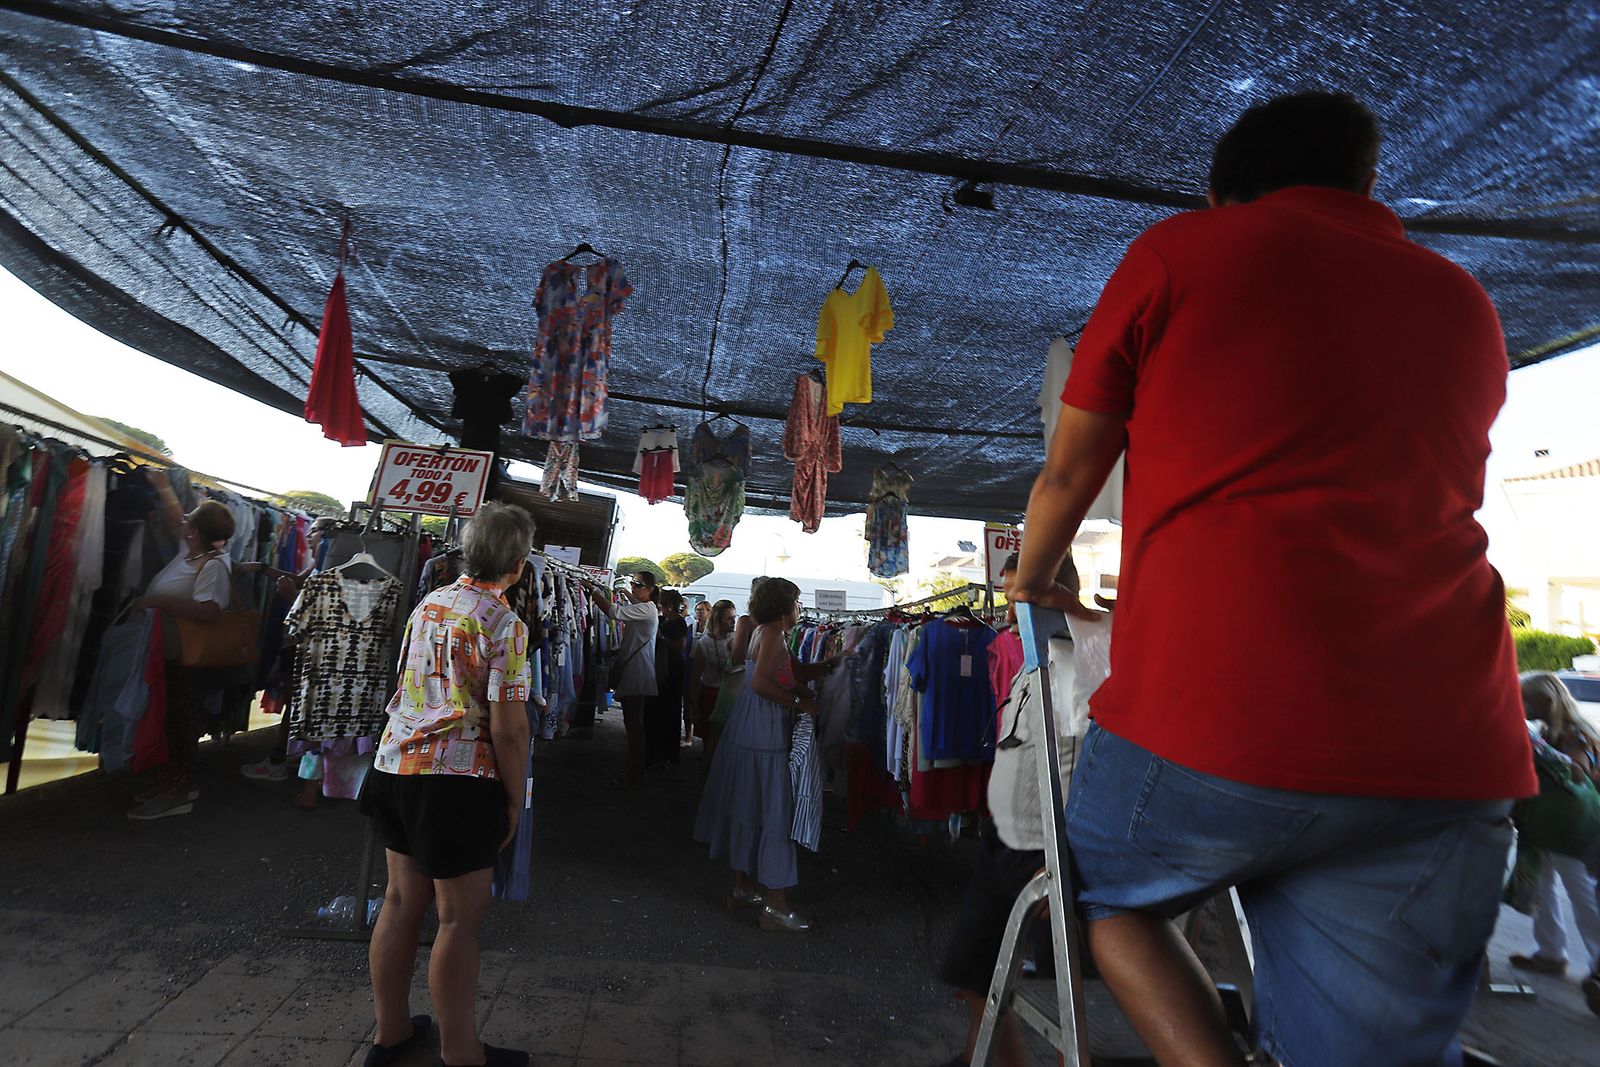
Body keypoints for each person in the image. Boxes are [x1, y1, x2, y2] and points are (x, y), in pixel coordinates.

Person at [1011, 91, 1536, 1066]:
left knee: (1106, 890)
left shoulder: (1180, 253)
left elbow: (1068, 473)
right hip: (1447, 748)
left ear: (1220, 195)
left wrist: (1031, 576)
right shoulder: (1464, 299)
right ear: (1367, 181)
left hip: (1218, 721)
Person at [358, 501, 535, 1067]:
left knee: (398, 901)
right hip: (456, 782)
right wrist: (515, 800)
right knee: (457, 920)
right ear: (518, 563)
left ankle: (390, 1033)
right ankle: (462, 1054)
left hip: (395, 768)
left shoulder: (430, 603)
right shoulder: (504, 624)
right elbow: (509, 729)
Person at [941, 552, 1107, 1067]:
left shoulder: (1084, 665)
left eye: (1022, 598)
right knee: (974, 973)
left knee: (1070, 997)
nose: (1010, 611)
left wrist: (1068, 860)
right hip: (1003, 846)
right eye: (1008, 597)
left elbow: (1098, 776)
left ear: (1057, 596)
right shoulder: (1032, 659)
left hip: (1048, 854)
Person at [693, 578, 835, 932]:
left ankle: (743, 888)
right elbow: (761, 684)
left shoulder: (765, 632)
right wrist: (801, 702)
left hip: (751, 723)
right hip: (764, 728)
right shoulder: (771, 634)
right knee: (774, 810)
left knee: (749, 805)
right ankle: (776, 907)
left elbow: (782, 673)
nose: (799, 608)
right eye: (796, 601)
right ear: (784, 607)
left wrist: (823, 668)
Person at [125, 484, 236, 820]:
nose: (183, 520)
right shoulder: (191, 553)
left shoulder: (213, 564)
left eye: (190, 519)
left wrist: (157, 601)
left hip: (189, 657)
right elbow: (178, 517)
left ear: (196, 532)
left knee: (181, 723)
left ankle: (178, 792)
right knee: (171, 719)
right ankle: (172, 784)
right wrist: (160, 482)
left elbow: (209, 610)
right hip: (172, 653)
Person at [1509, 672, 1600, 1005]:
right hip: (1545, 823)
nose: (1521, 706)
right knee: (1542, 888)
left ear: (1547, 702)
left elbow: (1577, 772)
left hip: (1571, 827)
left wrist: (1538, 749)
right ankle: (1550, 952)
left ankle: (1598, 965)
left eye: (1525, 700)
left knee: (1581, 892)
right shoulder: (1547, 731)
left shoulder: (1576, 733)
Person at [605, 570, 660, 789]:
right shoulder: (647, 607)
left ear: (650, 589)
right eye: (633, 583)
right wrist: (626, 593)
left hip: (638, 672)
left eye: (638, 585)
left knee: (634, 726)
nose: (633, 587)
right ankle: (635, 771)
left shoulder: (647, 609)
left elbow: (613, 611)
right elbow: (633, 604)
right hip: (636, 669)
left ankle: (634, 773)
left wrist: (594, 591)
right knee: (632, 724)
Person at [646, 589, 690, 770]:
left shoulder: (678, 622)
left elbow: (680, 646)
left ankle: (665, 754)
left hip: (670, 671)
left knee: (667, 711)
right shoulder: (666, 619)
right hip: (664, 669)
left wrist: (662, 638)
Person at [687, 599, 736, 748]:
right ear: (718, 620)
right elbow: (695, 678)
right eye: (729, 618)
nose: (733, 622)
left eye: (734, 617)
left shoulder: (735, 638)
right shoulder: (704, 643)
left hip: (731, 696)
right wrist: (694, 706)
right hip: (710, 695)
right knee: (710, 742)